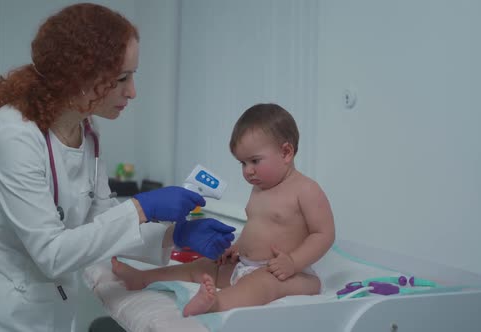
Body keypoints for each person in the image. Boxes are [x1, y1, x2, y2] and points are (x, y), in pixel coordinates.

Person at [0, 4, 235, 332]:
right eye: (121, 78)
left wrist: (173, 235)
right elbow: (52, 252)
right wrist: (141, 208)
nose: (133, 92)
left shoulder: (87, 131)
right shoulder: (12, 137)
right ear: (79, 76)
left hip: (52, 306)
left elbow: (100, 223)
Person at [111, 103, 335, 316]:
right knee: (201, 267)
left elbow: (323, 234)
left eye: (254, 161)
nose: (248, 171)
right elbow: (259, 227)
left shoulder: (306, 190)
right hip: (244, 265)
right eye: (243, 163)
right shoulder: (260, 189)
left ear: (286, 153)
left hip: (286, 272)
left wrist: (293, 262)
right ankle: (144, 278)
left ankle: (216, 303)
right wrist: (238, 248)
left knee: (262, 284)